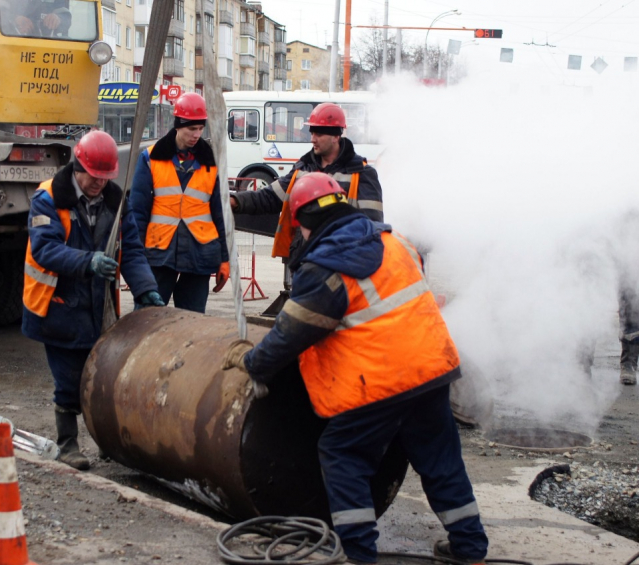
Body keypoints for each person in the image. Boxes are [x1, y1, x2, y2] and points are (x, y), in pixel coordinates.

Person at [221, 172, 488, 565]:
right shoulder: (396, 243)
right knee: (439, 458)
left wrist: (252, 364)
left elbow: (291, 335)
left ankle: (359, 554)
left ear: (303, 222)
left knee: (342, 453)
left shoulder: (326, 266)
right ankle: (470, 548)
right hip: (432, 371)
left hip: (382, 381)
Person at [21, 130, 164, 470]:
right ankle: (68, 444)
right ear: (78, 166)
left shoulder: (115, 201)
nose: (99, 183)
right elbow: (45, 249)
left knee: (102, 377)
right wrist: (88, 262)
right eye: (94, 176)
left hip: (96, 305)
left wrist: (146, 288)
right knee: (69, 380)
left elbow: (129, 248)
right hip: (55, 305)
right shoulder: (48, 198)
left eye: (105, 177)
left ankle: (105, 441)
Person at [230, 102, 384, 262]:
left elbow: (372, 228)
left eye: (318, 134)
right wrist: (235, 201)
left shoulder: (362, 174)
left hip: (342, 264)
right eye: (311, 133)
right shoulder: (302, 169)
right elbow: (269, 197)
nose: (312, 139)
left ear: (336, 137)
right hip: (304, 261)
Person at [129, 92, 230, 314]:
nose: (197, 134)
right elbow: (137, 213)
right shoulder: (151, 158)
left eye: (201, 128)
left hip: (199, 255)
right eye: (191, 129)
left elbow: (221, 214)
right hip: (158, 254)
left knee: (191, 324)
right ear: (177, 125)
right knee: (147, 320)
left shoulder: (211, 161)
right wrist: (135, 262)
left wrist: (226, 258)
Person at [0, 0, 72, 38]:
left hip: (47, 46)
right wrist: (14, 19)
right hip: (11, 43)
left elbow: (66, 17)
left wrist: (59, 18)